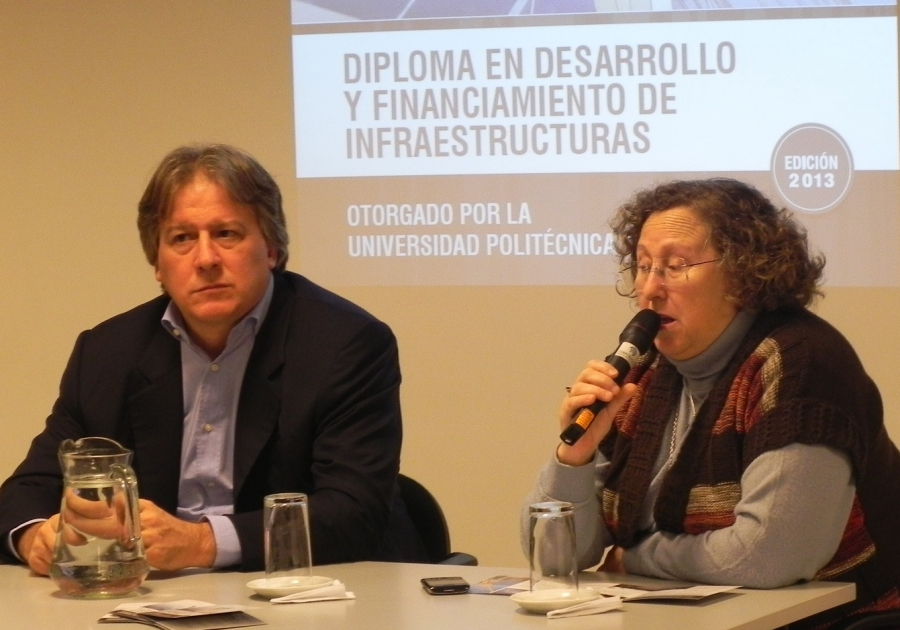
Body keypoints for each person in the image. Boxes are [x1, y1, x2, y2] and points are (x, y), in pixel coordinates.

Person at [0, 143, 425, 574]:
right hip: (157, 597)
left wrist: (201, 542)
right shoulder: (108, 352)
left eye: (226, 234)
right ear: (157, 263)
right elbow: (29, 487)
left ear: (272, 248)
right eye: (182, 238)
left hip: (310, 588)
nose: (205, 259)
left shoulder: (344, 344)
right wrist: (36, 537)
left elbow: (353, 511)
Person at [522, 178, 900, 627]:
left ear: (744, 274)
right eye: (643, 266)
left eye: (675, 266)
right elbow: (555, 557)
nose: (650, 289)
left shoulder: (800, 363)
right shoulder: (643, 374)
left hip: (845, 619)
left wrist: (635, 558)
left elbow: (768, 556)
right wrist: (574, 458)